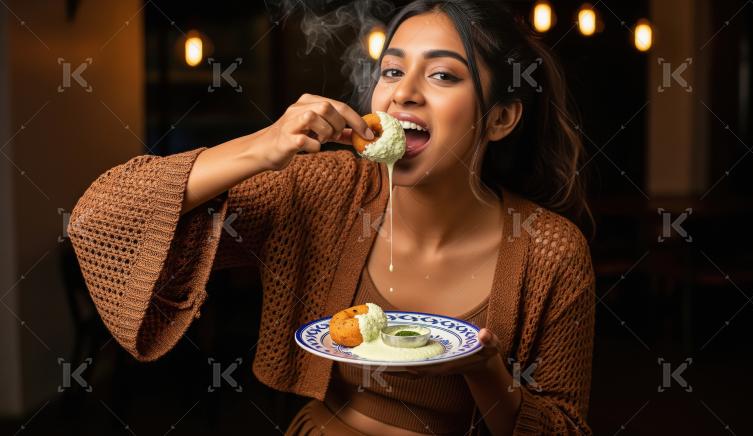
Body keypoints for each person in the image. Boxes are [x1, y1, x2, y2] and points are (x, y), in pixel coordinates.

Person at [68, 0, 596, 434]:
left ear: (500, 118)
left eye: (441, 74)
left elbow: (563, 427)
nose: (403, 92)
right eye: (392, 70)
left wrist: (486, 372)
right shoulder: (327, 190)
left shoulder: (551, 250)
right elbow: (98, 221)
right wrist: (264, 146)